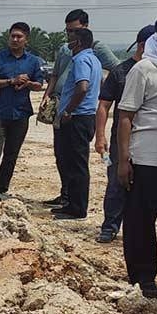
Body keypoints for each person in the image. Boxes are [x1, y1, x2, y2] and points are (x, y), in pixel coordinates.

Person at [40, 9, 120, 207]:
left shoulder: (94, 50)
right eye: (68, 31)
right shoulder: (65, 50)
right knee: (62, 153)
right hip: (62, 104)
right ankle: (66, 194)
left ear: (84, 28)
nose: (70, 36)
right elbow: (55, 75)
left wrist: (102, 94)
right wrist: (47, 95)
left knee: (75, 158)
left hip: (77, 110)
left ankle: (75, 203)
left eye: (74, 31)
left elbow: (117, 70)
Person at [117, 10, 157, 299]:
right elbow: (125, 116)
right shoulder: (144, 70)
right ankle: (144, 276)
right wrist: (124, 161)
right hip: (147, 158)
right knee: (141, 221)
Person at [93, 24, 156, 243]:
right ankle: (110, 227)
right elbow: (104, 105)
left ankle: (139, 233)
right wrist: (99, 136)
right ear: (143, 45)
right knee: (117, 183)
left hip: (150, 141)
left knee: (144, 188)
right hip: (122, 137)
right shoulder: (122, 72)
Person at [0, 22, 45, 203]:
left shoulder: (33, 61)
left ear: (26, 39)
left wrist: (28, 84)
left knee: (11, 153)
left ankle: (2, 188)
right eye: (13, 36)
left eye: (19, 37)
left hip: (21, 113)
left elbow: (39, 85)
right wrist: (11, 81)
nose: (15, 39)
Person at [52, 28, 102, 220]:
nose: (67, 43)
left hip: (77, 118)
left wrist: (68, 110)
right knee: (73, 162)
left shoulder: (81, 60)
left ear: (78, 42)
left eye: (70, 39)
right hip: (86, 117)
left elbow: (82, 87)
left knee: (76, 164)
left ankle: (77, 208)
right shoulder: (94, 59)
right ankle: (71, 204)